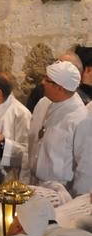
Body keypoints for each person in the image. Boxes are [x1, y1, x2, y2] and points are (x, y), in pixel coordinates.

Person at [21, 60, 87, 189]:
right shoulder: (43, 103)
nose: (42, 83)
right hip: (33, 183)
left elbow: (84, 166)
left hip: (59, 191)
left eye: (47, 80)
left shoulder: (80, 119)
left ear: (60, 88)